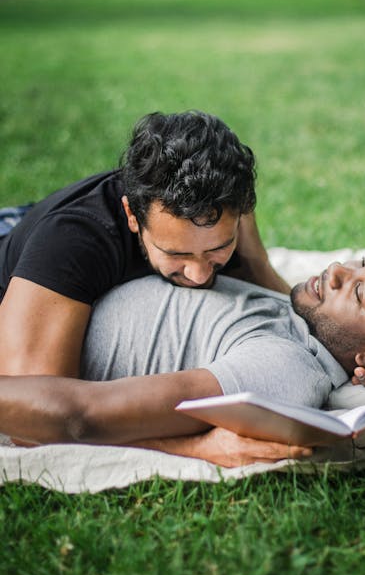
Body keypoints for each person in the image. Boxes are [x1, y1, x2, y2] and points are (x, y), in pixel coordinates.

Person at [0, 233, 365, 467]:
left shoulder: (283, 368)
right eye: (361, 263)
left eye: (358, 291)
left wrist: (195, 448)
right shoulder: (314, 317)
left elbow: (78, 416)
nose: (336, 270)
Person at [0, 110, 290, 379]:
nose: (199, 274)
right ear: (132, 216)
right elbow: (28, 405)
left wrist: (255, 259)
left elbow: (265, 281)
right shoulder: (72, 243)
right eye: (177, 253)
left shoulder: (228, 208)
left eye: (216, 249)